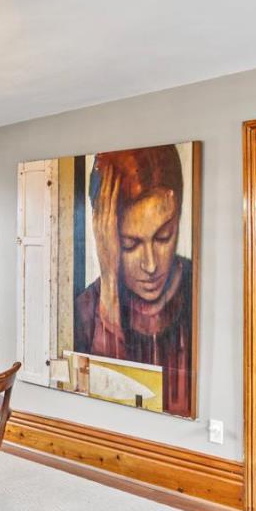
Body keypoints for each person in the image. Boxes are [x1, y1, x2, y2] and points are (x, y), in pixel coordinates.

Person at [73, 145, 194, 416]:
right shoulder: (84, 310)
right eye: (129, 244)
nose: (150, 265)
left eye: (163, 236)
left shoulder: (200, 289)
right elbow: (100, 402)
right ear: (106, 237)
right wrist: (109, 289)